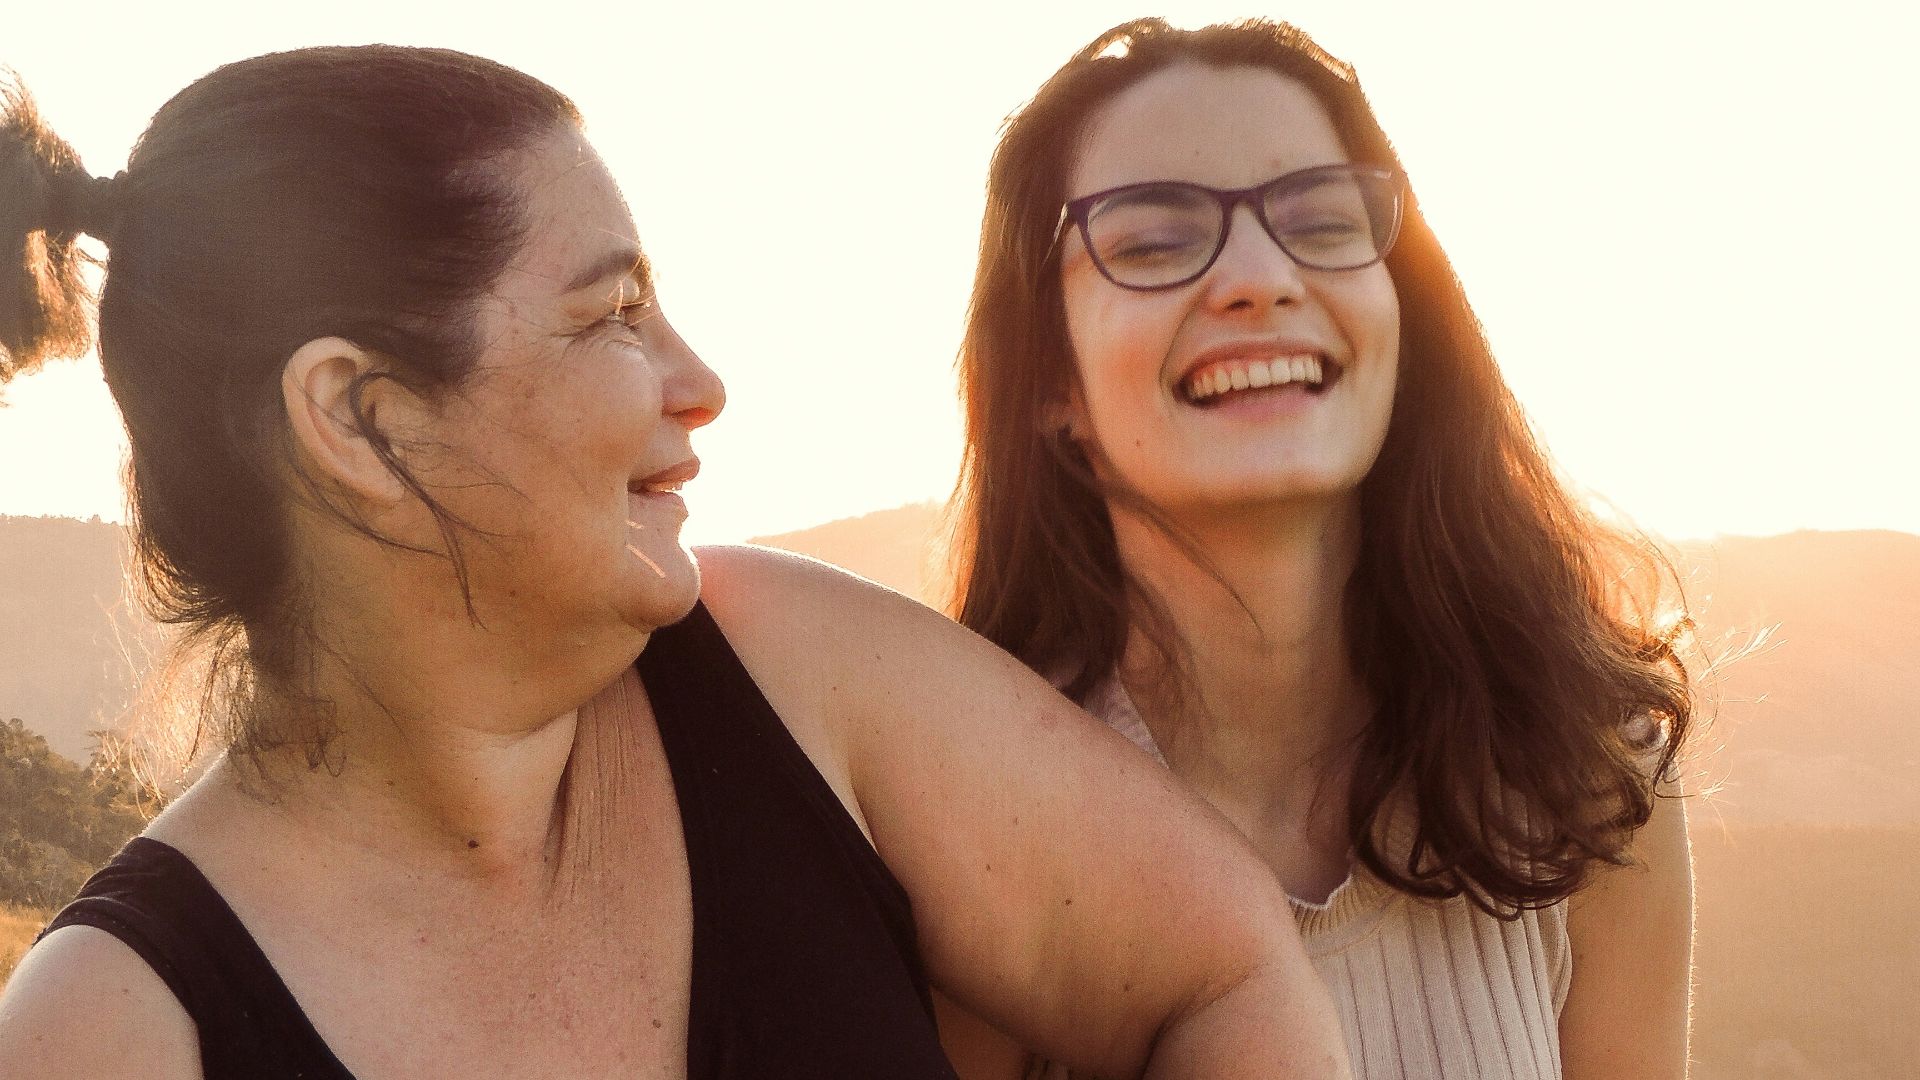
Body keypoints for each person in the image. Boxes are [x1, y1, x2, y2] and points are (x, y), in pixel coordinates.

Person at [0, 47, 1352, 1079]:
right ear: (362, 420)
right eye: (614, 314)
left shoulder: (793, 670)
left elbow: (1225, 973)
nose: (699, 383)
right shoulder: (109, 1032)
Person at [936, 18, 1695, 1080]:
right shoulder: (969, 831)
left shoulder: (1586, 776)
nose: (1260, 277)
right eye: (1153, 241)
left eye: (1324, 221)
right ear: (1049, 382)